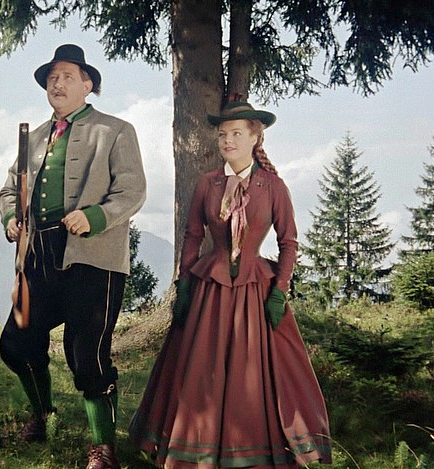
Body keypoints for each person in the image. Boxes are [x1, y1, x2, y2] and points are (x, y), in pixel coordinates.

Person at [128, 101, 332, 468]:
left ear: (256, 137)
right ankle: (197, 444)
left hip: (254, 291)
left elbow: (289, 242)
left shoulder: (273, 186)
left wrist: (280, 291)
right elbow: (193, 236)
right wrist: (184, 284)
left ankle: (250, 447)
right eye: (223, 134)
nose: (228, 140)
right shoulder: (208, 183)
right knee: (202, 368)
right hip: (211, 289)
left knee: (250, 370)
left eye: (237, 133)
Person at [0, 44, 147, 469]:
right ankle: (43, 416)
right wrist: (11, 217)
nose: (57, 84)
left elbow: (132, 190)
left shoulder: (115, 131)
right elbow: (9, 189)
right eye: (52, 78)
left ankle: (103, 448)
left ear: (88, 84)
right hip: (38, 259)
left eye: (66, 77)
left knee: (87, 356)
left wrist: (95, 216)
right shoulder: (33, 138)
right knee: (16, 343)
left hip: (93, 260)